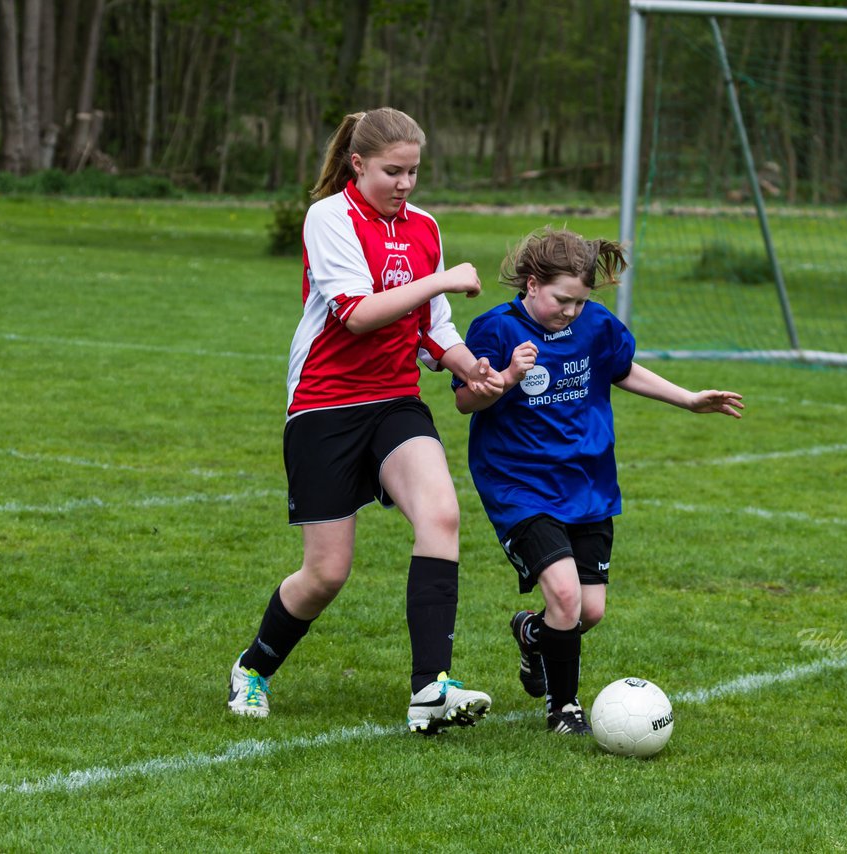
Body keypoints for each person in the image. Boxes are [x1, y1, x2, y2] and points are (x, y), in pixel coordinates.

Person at [228, 107, 505, 734]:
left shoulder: (425, 226)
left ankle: (431, 689)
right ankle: (253, 667)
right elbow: (356, 313)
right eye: (392, 171)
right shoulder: (330, 217)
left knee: (441, 515)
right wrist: (441, 278)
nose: (406, 184)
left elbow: (432, 330)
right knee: (326, 574)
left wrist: (471, 367)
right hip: (325, 403)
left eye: (414, 172)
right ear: (358, 164)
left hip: (394, 399)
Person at [454, 226, 744, 735]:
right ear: (531, 282)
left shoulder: (595, 325)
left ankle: (531, 633)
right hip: (519, 485)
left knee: (589, 611)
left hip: (588, 484)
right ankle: (564, 710)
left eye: (579, 302)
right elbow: (465, 399)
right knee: (564, 596)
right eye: (561, 300)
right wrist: (507, 380)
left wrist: (690, 399)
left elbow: (623, 369)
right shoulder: (495, 330)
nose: (570, 311)